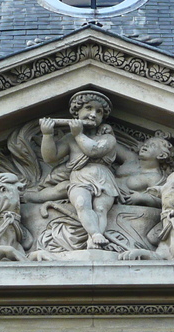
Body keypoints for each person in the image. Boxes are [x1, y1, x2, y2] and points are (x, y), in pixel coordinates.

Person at [24, 91, 119, 249]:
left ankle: (94, 239)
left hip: (103, 179)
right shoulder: (70, 138)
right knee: (82, 203)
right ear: (77, 112)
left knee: (101, 209)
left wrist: (79, 134)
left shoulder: (108, 139)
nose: (93, 114)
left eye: (99, 112)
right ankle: (95, 233)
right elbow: (50, 157)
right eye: (88, 108)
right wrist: (47, 135)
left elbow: (93, 150)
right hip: (79, 178)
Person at [115, 130, 174, 207]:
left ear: (162, 155)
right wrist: (109, 130)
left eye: (152, 145)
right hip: (103, 188)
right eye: (145, 143)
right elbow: (112, 145)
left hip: (119, 202)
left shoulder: (155, 177)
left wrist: (142, 198)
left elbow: (165, 201)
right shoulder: (131, 158)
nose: (145, 146)